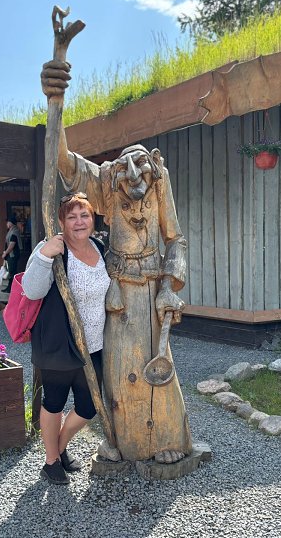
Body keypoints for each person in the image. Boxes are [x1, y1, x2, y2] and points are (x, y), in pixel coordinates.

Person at [41, 59, 192, 465]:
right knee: (119, 372)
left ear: (153, 165)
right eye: (125, 167)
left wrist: (169, 287)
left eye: (140, 164)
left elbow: (176, 240)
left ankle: (168, 439)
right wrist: (56, 101)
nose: (133, 173)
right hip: (118, 291)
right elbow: (65, 162)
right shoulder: (107, 183)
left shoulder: (159, 183)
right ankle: (121, 441)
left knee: (160, 367)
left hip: (153, 290)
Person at [22, 194, 110, 485]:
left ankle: (58, 449)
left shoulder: (99, 247)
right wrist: (45, 254)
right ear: (61, 221)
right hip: (58, 343)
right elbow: (32, 291)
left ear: (92, 219)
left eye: (84, 215)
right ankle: (51, 461)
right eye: (71, 217)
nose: (79, 222)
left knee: (89, 406)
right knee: (55, 402)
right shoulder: (52, 248)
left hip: (94, 345)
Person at [1, 216, 22, 293]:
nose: (6, 224)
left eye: (7, 222)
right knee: (11, 271)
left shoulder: (14, 232)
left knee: (12, 272)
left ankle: (11, 288)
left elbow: (11, 245)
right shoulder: (11, 230)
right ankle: (9, 287)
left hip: (13, 254)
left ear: (10, 223)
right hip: (10, 255)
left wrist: (5, 253)